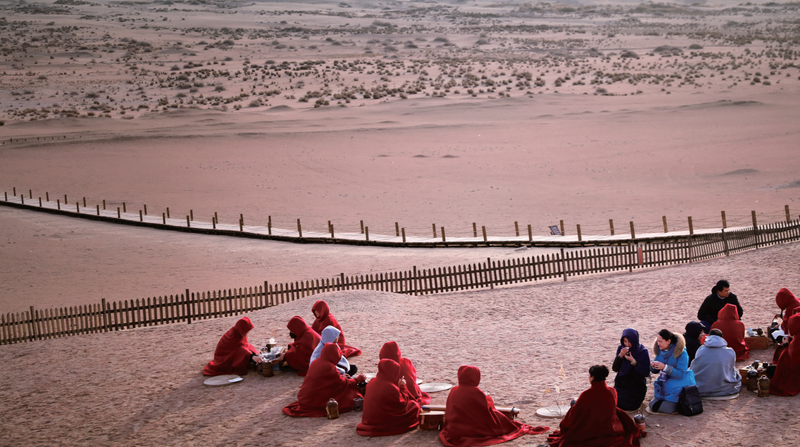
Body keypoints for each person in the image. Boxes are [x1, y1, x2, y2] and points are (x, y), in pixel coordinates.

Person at [439, 365, 549, 447]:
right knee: (502, 420)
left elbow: (450, 411)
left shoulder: (454, 390)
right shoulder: (476, 392)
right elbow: (486, 411)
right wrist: (488, 398)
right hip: (473, 426)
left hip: (455, 427)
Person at [547, 365, 640, 447]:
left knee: (573, 404)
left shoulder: (586, 394)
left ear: (592, 377)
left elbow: (577, 413)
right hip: (610, 427)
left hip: (591, 428)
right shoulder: (612, 391)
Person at [282, 343, 365, 417]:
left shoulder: (318, 361)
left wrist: (342, 376)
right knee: (352, 394)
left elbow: (333, 380)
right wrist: (357, 380)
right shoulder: (329, 367)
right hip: (314, 401)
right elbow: (341, 383)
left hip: (306, 398)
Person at [356, 359, 421, 437]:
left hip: (369, 419)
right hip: (383, 421)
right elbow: (402, 403)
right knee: (414, 406)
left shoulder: (372, 382)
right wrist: (402, 387)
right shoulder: (390, 387)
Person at [648, 329, 696, 414]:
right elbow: (655, 371)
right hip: (665, 382)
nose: (658, 344)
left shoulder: (682, 353)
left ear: (668, 341)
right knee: (652, 405)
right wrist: (653, 367)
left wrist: (665, 367)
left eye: (660, 341)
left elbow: (681, 374)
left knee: (662, 408)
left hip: (678, 384)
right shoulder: (660, 351)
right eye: (657, 341)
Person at [690, 329, 742, 397]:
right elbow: (730, 368)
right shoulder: (730, 351)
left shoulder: (701, 349)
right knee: (735, 372)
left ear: (709, 336)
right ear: (721, 338)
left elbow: (695, 366)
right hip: (724, 387)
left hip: (702, 386)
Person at [612, 328, 651, 411]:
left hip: (636, 386)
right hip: (622, 384)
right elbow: (615, 369)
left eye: (630, 341)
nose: (627, 344)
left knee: (628, 406)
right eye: (625, 341)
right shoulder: (621, 349)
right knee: (612, 402)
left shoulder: (643, 351)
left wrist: (633, 361)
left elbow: (646, 372)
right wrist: (620, 356)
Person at [770, 314, 800, 396]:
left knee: (770, 370)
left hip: (795, 374)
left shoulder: (798, 340)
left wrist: (786, 344)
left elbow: (790, 362)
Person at [774, 288, 800, 362]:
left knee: (774, 332)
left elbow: (788, 325)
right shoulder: (796, 302)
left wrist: (786, 344)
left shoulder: (791, 308)